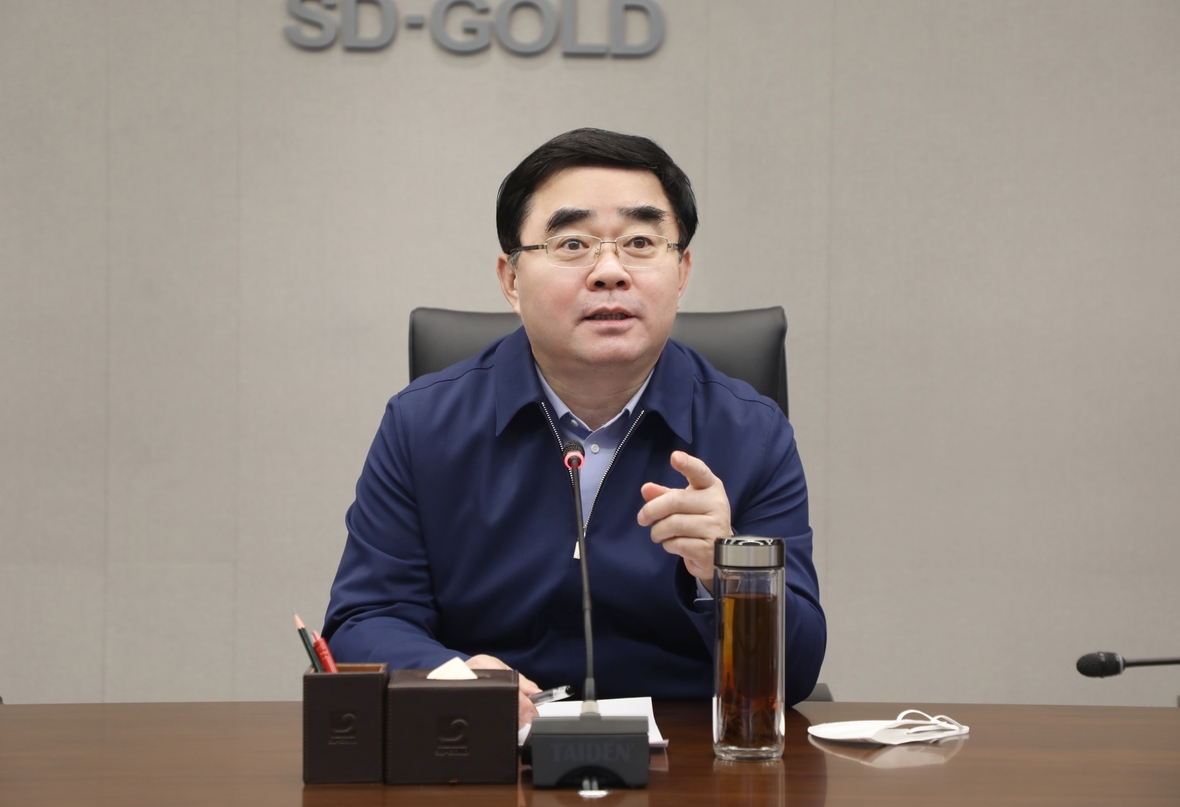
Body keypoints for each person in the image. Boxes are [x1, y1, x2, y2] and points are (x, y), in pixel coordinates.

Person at [323, 128, 825, 725]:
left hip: (689, 755)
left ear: (682, 271)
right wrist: (453, 678)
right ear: (511, 280)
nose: (610, 271)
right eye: (572, 244)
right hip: (490, 744)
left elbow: (796, 672)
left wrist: (730, 574)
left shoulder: (751, 432)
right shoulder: (423, 424)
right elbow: (364, 621)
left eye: (640, 242)